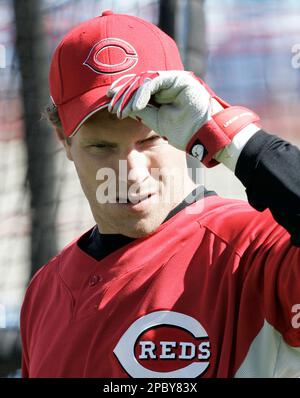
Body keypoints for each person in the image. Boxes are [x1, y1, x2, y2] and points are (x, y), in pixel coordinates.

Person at [20, 10, 300, 378]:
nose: (131, 172)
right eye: (102, 147)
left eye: (151, 139)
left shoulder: (255, 249)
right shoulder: (44, 292)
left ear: (183, 129)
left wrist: (226, 134)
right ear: (65, 141)